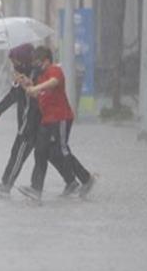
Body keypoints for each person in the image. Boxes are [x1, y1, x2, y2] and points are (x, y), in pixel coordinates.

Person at [0, 43, 75, 197]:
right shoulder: (22, 75)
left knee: (19, 154)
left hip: (32, 125)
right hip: (35, 124)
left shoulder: (37, 74)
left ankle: (6, 185)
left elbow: (37, 98)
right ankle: (71, 181)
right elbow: (13, 95)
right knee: (50, 155)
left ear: (23, 61)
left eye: (15, 61)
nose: (13, 65)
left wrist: (28, 85)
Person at [17, 46, 98, 203]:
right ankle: (36, 188)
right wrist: (25, 84)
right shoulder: (39, 77)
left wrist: (35, 86)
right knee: (41, 151)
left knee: (61, 151)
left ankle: (86, 179)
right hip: (47, 120)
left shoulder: (55, 70)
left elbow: (53, 82)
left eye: (38, 62)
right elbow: (33, 93)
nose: (36, 66)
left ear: (46, 61)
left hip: (61, 118)